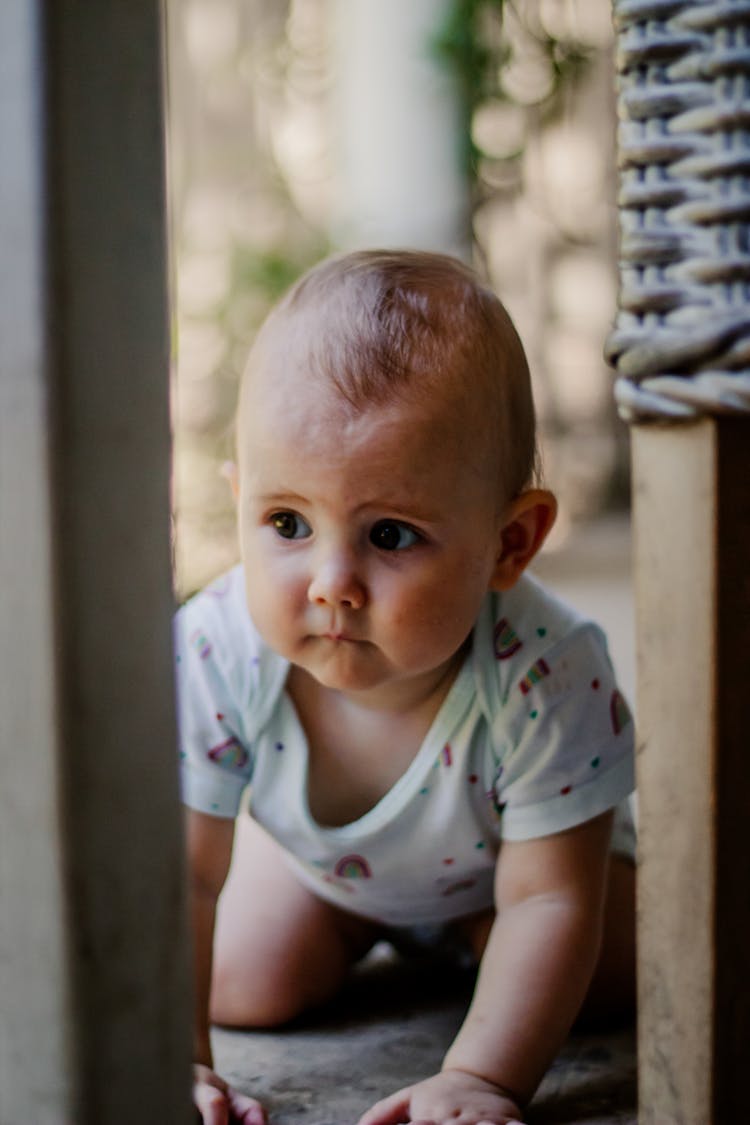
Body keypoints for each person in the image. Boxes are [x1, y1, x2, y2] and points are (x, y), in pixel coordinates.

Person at [175, 249, 636, 1125]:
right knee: (246, 980)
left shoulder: (548, 670)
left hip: (530, 870)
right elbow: (186, 879)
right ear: (239, 503)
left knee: (612, 967)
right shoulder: (214, 648)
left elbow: (550, 895)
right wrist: (180, 1059)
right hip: (339, 882)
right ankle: (384, 931)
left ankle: (477, 944)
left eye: (389, 533)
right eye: (286, 522)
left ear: (510, 543)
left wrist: (481, 1079)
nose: (331, 581)